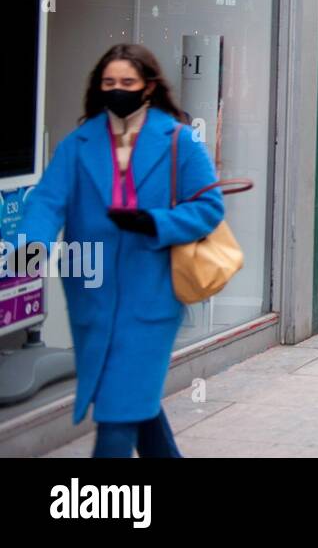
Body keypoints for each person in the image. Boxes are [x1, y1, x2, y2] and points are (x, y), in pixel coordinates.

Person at [18, 44, 223, 457]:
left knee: (116, 418)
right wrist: (28, 252)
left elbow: (209, 208)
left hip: (154, 298)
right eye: (108, 82)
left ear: (147, 87)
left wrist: (155, 222)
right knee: (133, 401)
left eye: (126, 82)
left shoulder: (178, 141)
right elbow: (46, 202)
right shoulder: (79, 144)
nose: (117, 90)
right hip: (92, 299)